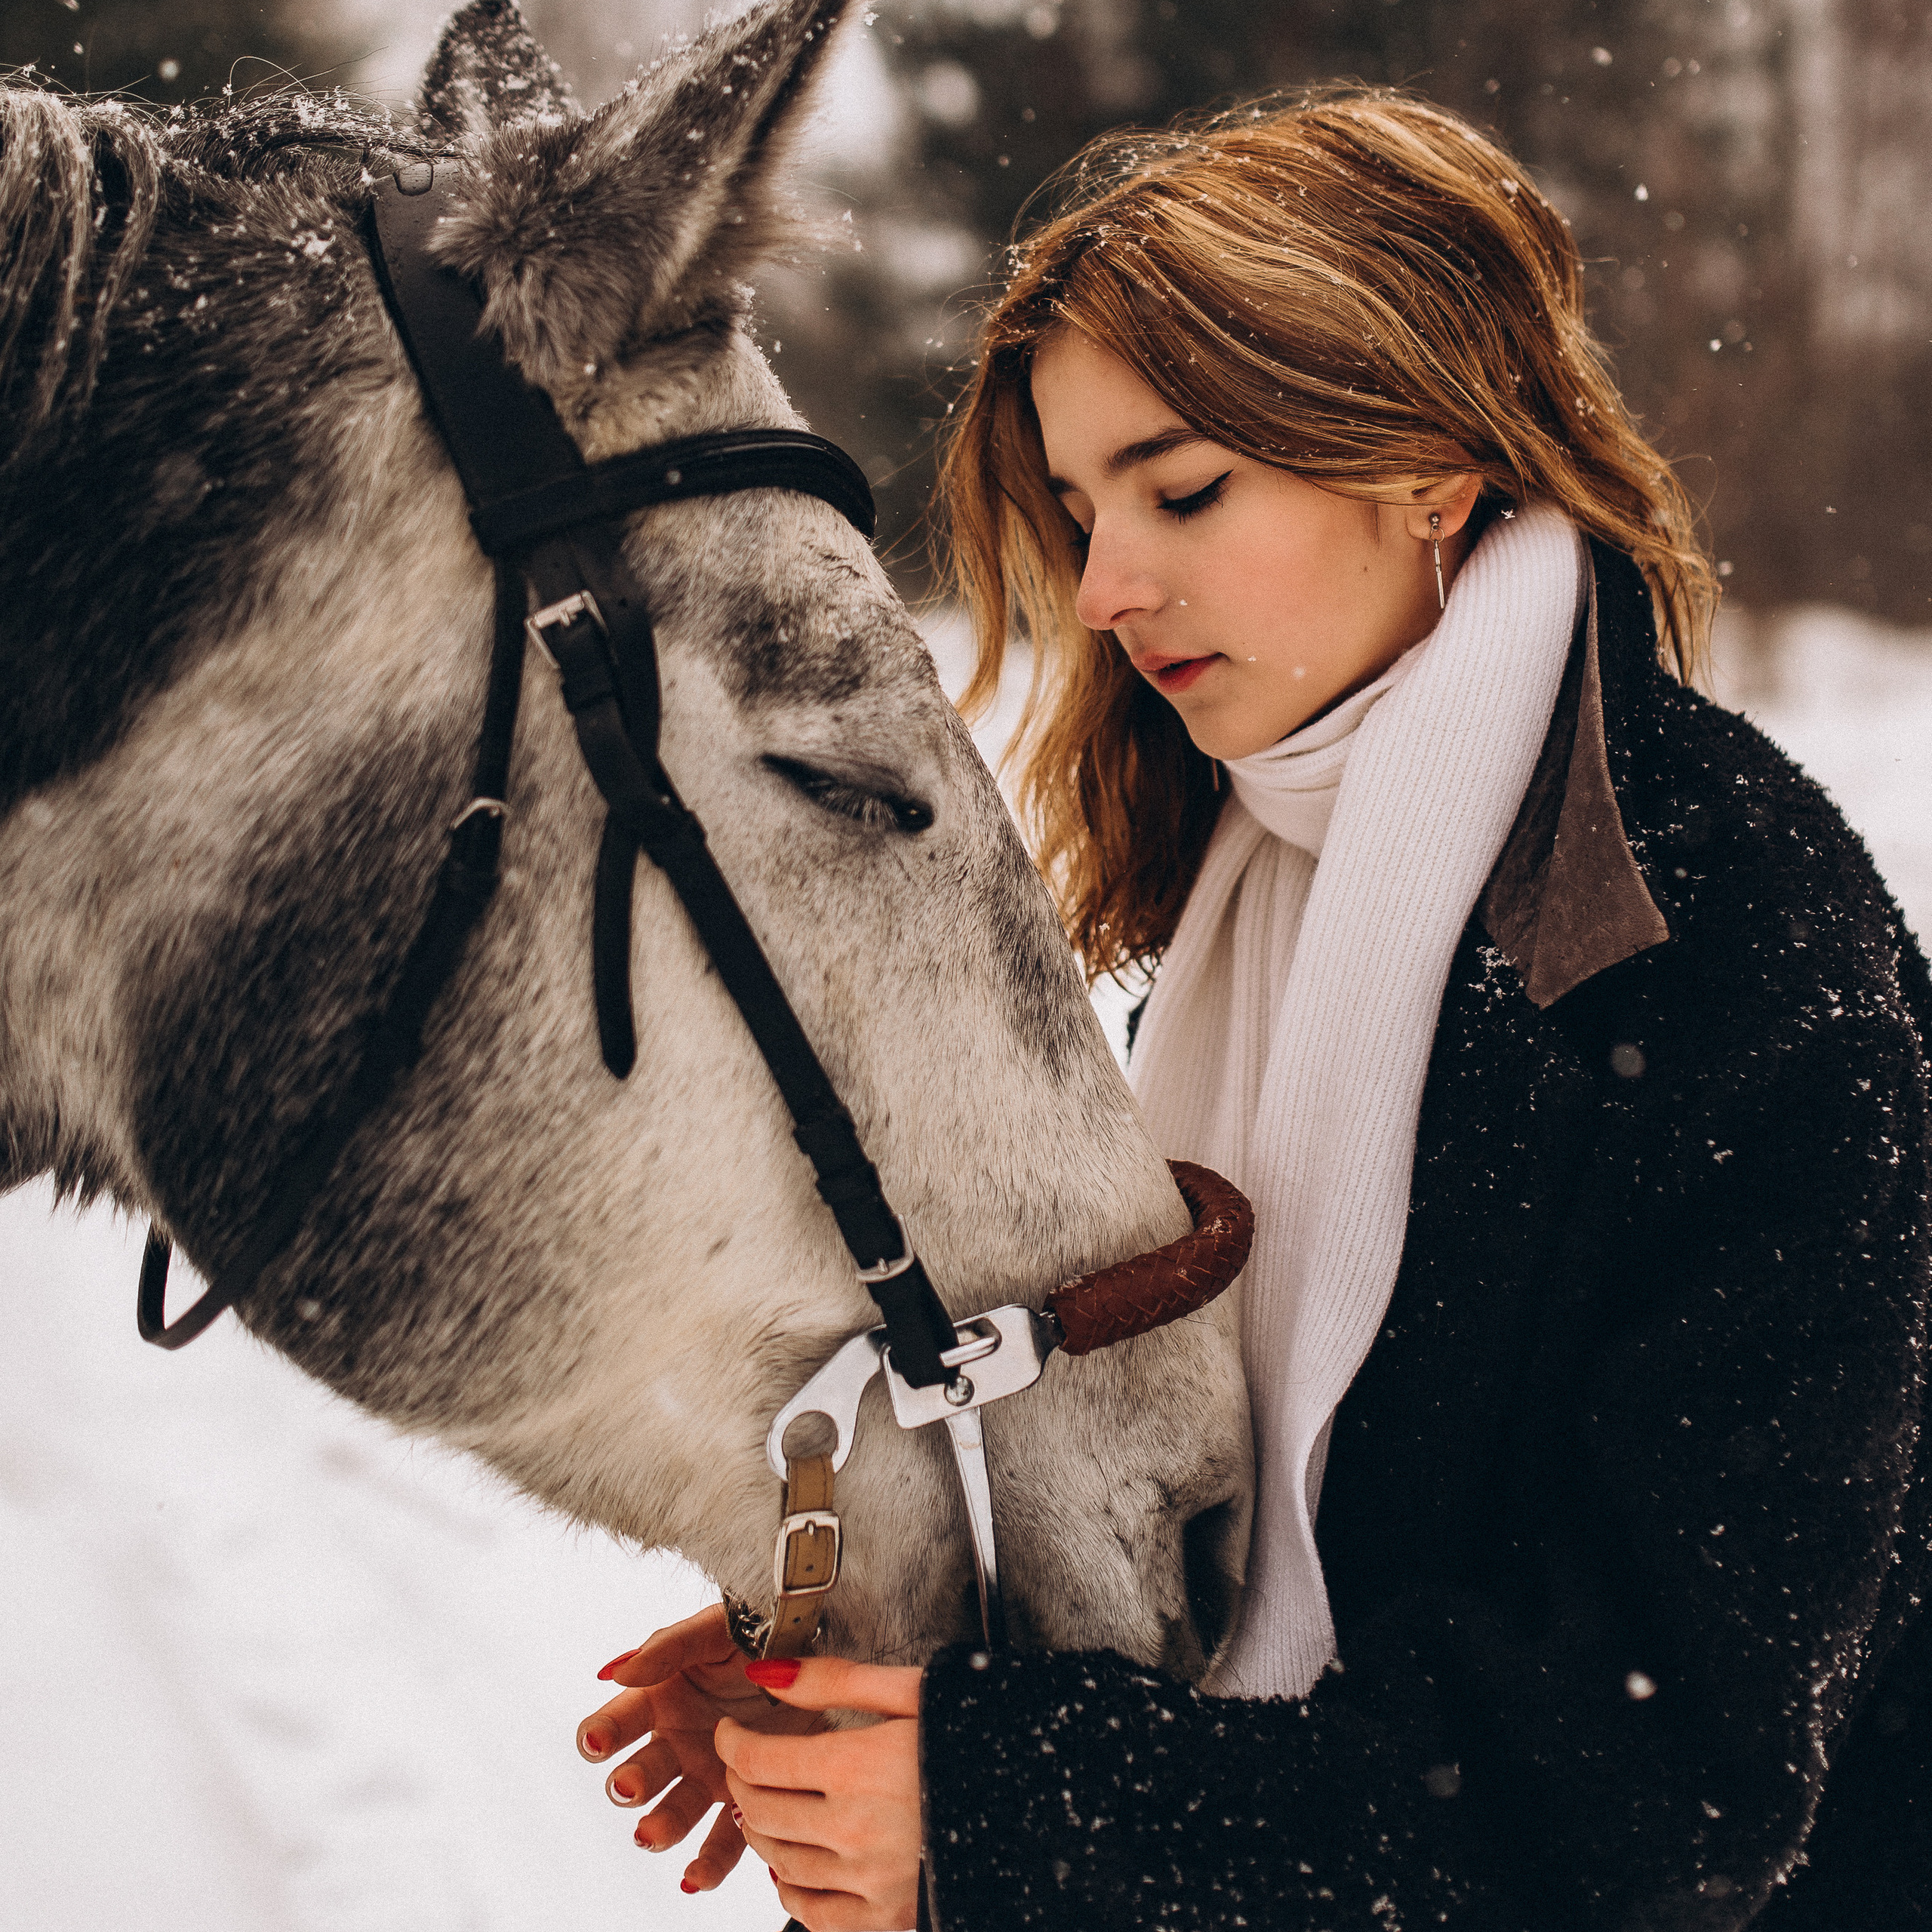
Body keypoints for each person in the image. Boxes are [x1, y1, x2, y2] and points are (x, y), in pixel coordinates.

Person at [575, 89, 1931, 1930]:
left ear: (1429, 460)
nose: (1109, 587)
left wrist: (994, 1808)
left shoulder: (1728, 947)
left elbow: (1658, 1784)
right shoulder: (1265, 868)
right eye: (1076, 510)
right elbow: (1205, 1502)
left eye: (1183, 487)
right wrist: (871, 1662)